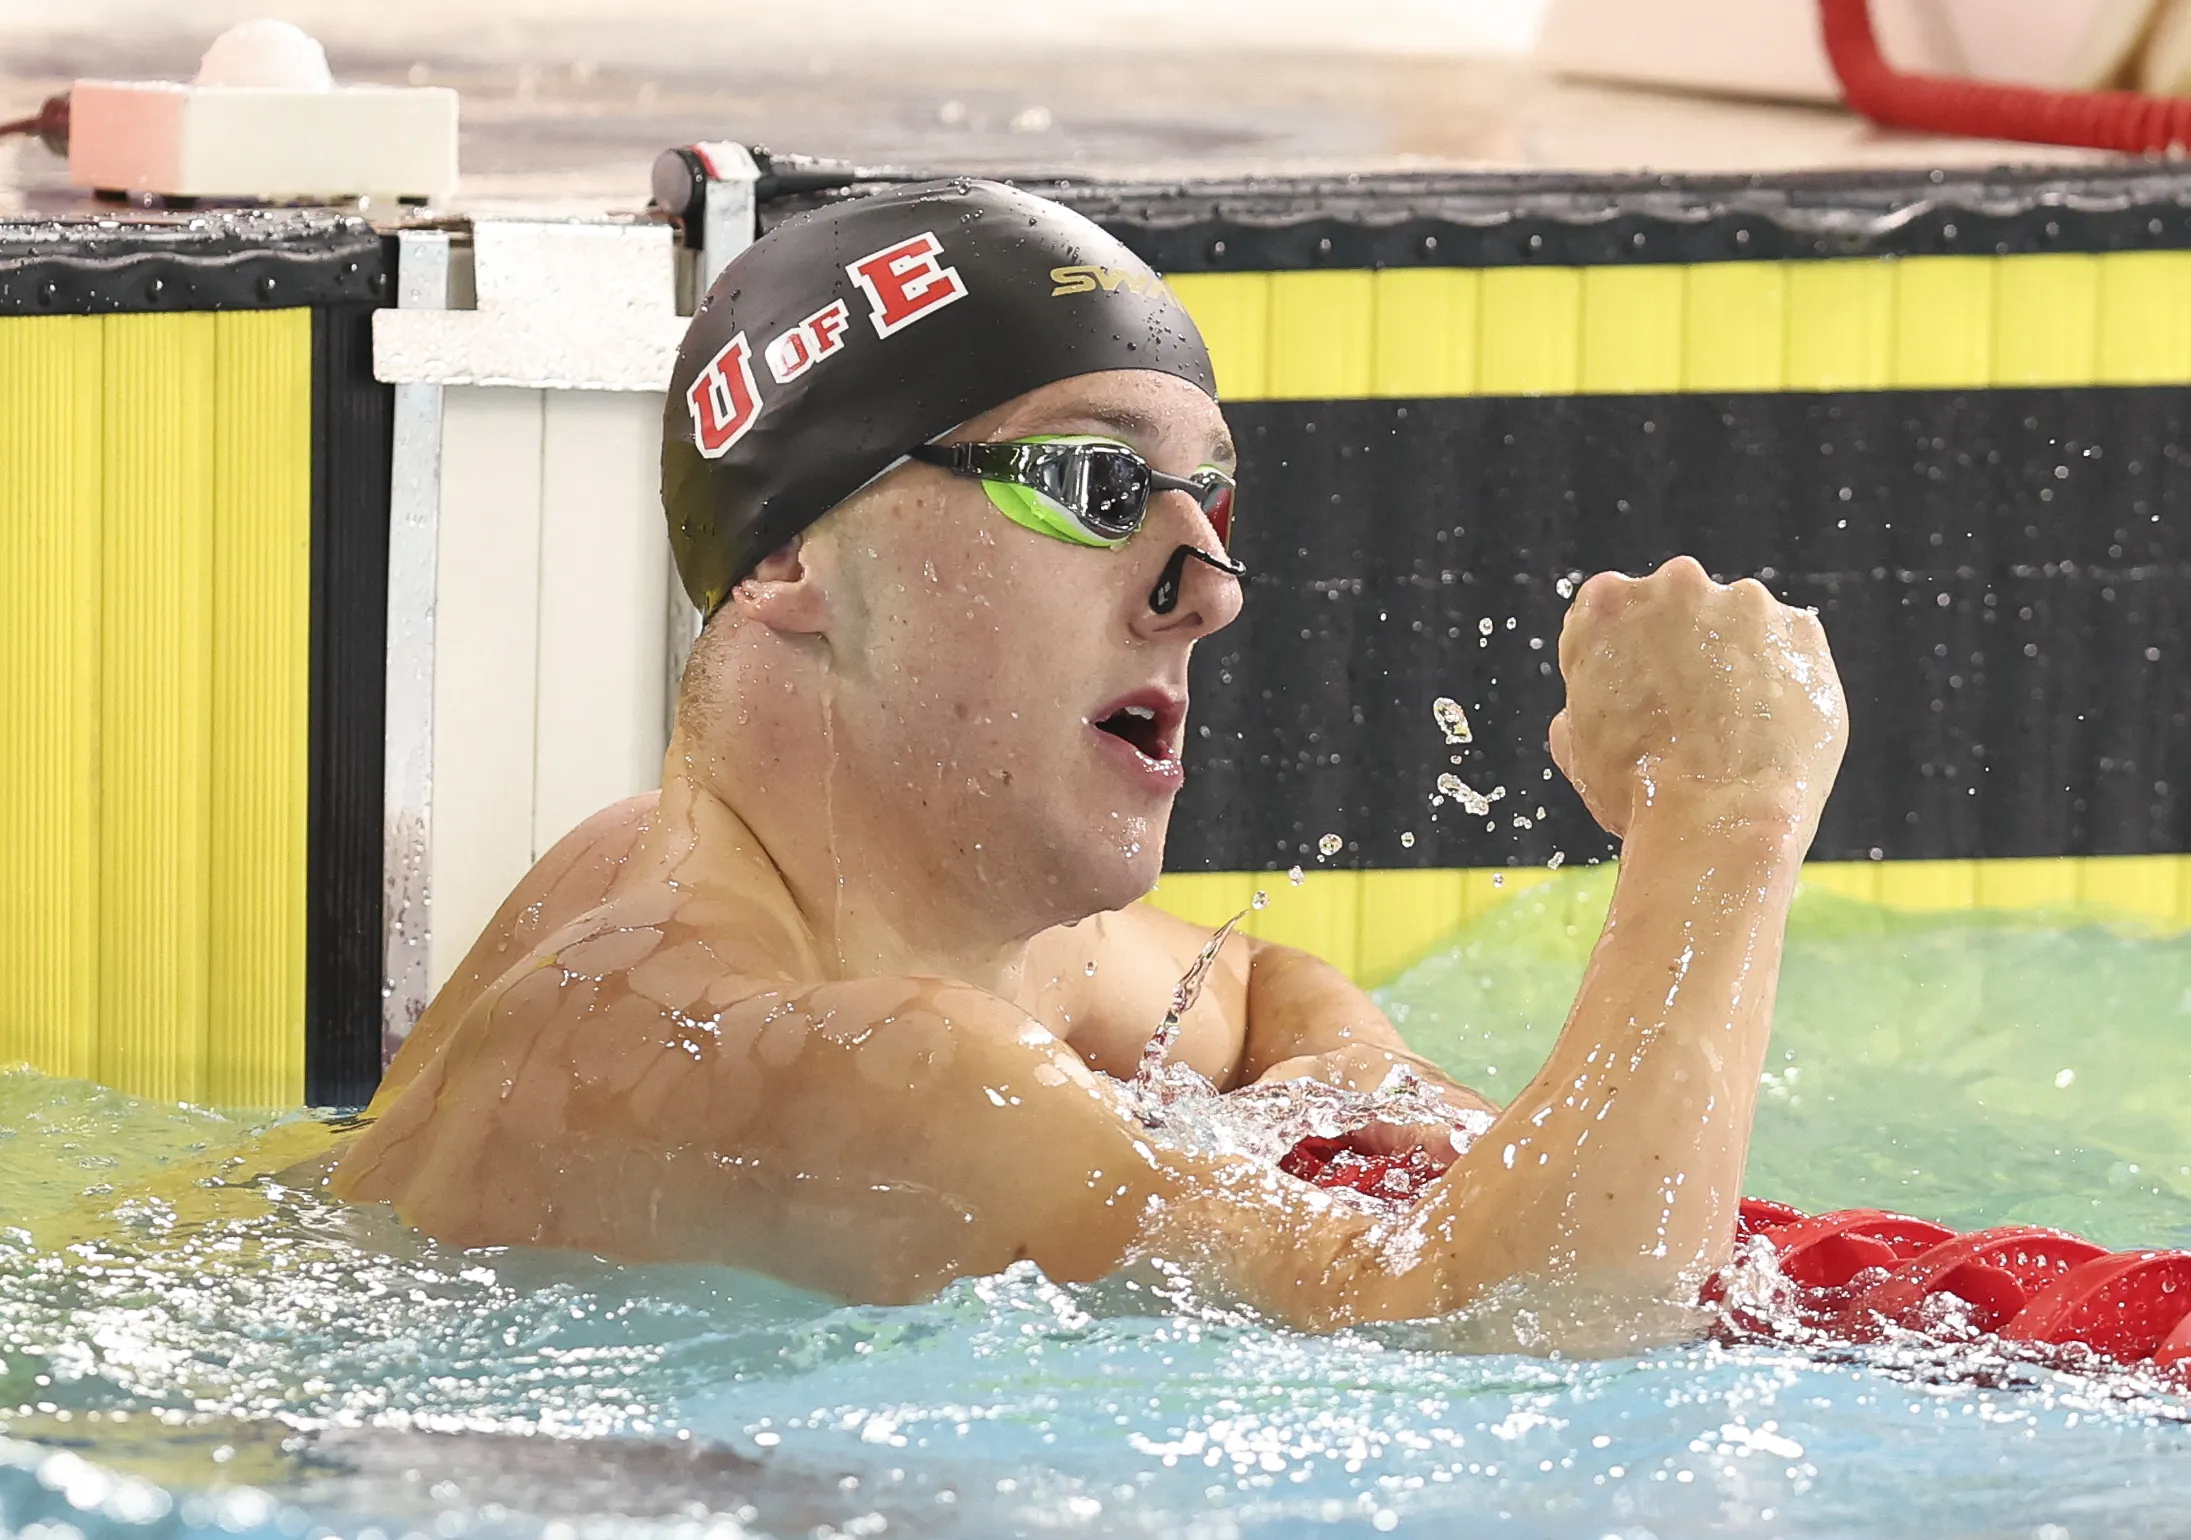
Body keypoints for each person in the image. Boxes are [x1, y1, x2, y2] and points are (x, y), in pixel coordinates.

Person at [330, 179, 1846, 1331]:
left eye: (1210, 507)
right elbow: (1525, 1325)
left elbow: (1249, 993)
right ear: (792, 556)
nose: (1209, 588)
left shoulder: (664, 872)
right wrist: (1725, 812)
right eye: (1091, 481)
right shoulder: (870, 1077)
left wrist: (1348, 1084)